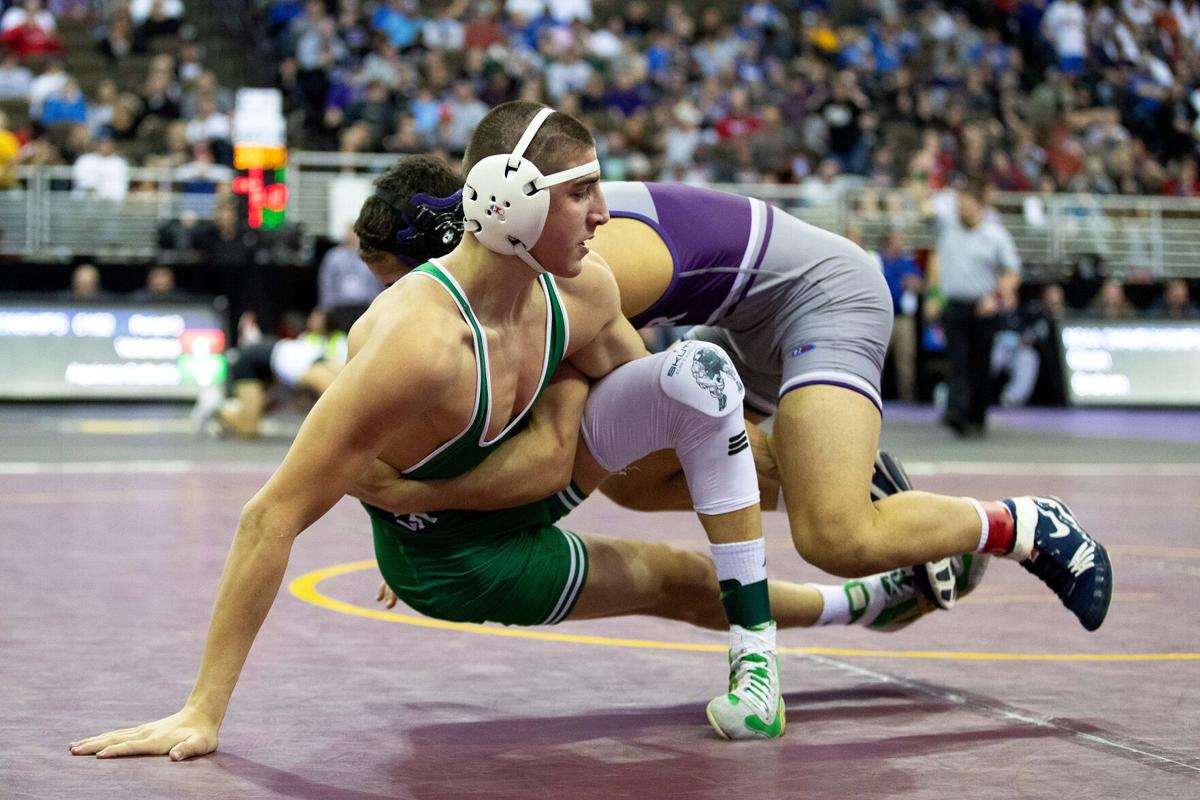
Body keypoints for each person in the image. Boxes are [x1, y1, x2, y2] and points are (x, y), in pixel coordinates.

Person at [70, 102, 802, 759]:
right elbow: (272, 514)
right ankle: (862, 599)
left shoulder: (583, 290)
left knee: (699, 374)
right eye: (583, 193)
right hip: (452, 556)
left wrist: (812, 471)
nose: (606, 214)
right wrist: (203, 710)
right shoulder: (416, 344)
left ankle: (803, 633)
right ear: (513, 203)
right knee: (677, 582)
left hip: (521, 479)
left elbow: (662, 418)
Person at [362, 157, 1113, 633]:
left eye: (395, 285)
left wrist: (415, 506)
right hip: (734, 321)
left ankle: (1019, 523)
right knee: (631, 476)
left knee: (837, 539)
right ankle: (829, 477)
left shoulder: (552, 279)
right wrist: (415, 531)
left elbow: (566, 445)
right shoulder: (514, 250)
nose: (397, 311)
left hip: (818, 298)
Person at [930, 179, 1020, 438]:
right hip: (955, 304)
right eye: (959, 206)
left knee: (980, 363)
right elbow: (923, 206)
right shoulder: (948, 227)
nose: (961, 211)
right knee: (958, 361)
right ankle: (956, 412)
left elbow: (1012, 271)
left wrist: (997, 296)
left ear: (980, 207)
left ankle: (977, 415)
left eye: (967, 206)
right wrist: (934, 295)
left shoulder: (995, 235)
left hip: (983, 308)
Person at [214, 307, 347, 438]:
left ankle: (242, 411)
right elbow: (338, 401)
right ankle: (222, 410)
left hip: (276, 369)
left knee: (262, 410)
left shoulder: (329, 364)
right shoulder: (318, 371)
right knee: (249, 430)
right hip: (251, 361)